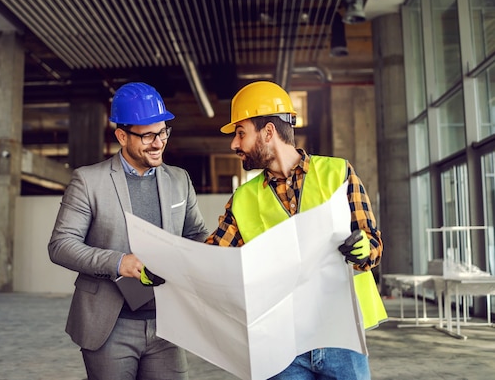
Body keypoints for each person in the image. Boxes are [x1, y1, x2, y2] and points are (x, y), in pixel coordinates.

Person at [205, 81, 384, 380]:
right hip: (281, 341)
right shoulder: (243, 198)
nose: (234, 144)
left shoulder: (338, 173)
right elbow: (212, 257)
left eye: (240, 133)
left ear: (268, 132)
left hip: (340, 335)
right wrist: (163, 265)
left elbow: (373, 243)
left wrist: (364, 248)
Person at [48, 82, 209, 380]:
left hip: (167, 324)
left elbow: (196, 232)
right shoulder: (89, 181)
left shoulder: (179, 179)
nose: (158, 142)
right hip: (109, 325)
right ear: (122, 136)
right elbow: (61, 245)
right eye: (147, 135)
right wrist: (119, 262)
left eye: (162, 132)